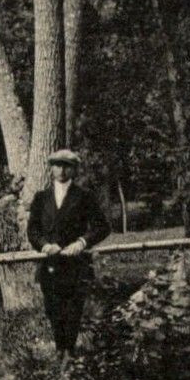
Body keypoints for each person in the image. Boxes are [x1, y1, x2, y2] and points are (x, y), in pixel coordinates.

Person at [27, 149, 112, 356]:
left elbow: (102, 226)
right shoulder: (41, 198)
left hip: (76, 264)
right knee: (53, 309)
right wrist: (45, 245)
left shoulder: (84, 196)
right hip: (50, 264)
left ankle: (70, 353)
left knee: (73, 310)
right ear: (51, 169)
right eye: (57, 165)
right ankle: (59, 351)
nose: (61, 170)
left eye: (66, 166)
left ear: (73, 169)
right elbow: (33, 230)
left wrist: (82, 242)